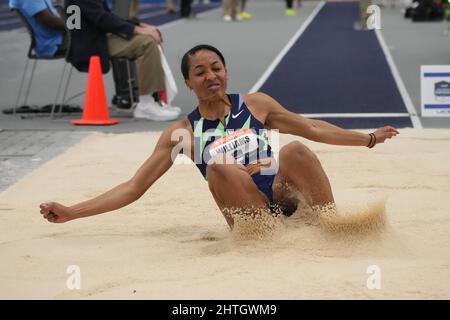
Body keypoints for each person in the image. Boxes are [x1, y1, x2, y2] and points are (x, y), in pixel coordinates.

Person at [39, 44, 399, 229]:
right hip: (248, 215)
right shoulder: (181, 134)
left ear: (226, 72)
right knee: (223, 166)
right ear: (188, 83)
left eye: (217, 68)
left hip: (283, 194)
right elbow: (134, 187)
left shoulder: (257, 105)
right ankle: (267, 238)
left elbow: (315, 128)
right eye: (200, 72)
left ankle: (331, 224)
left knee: (296, 149)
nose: (211, 76)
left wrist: (367, 139)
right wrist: (72, 212)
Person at [66, 0, 181, 121]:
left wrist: (141, 25)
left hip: (96, 36)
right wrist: (138, 29)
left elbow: (107, 15)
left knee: (147, 38)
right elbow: (101, 19)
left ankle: (153, 101)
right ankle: (146, 104)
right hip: (88, 43)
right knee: (146, 44)